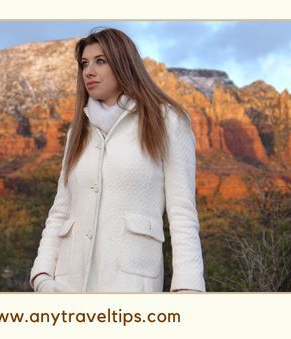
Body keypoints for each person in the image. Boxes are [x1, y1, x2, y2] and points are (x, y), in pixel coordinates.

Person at [30, 28, 205, 294]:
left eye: (101, 61)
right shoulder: (78, 131)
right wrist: (42, 276)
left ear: (124, 63)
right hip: (67, 286)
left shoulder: (167, 121)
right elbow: (61, 210)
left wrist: (188, 289)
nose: (88, 71)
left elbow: (182, 214)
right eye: (84, 64)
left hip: (131, 285)